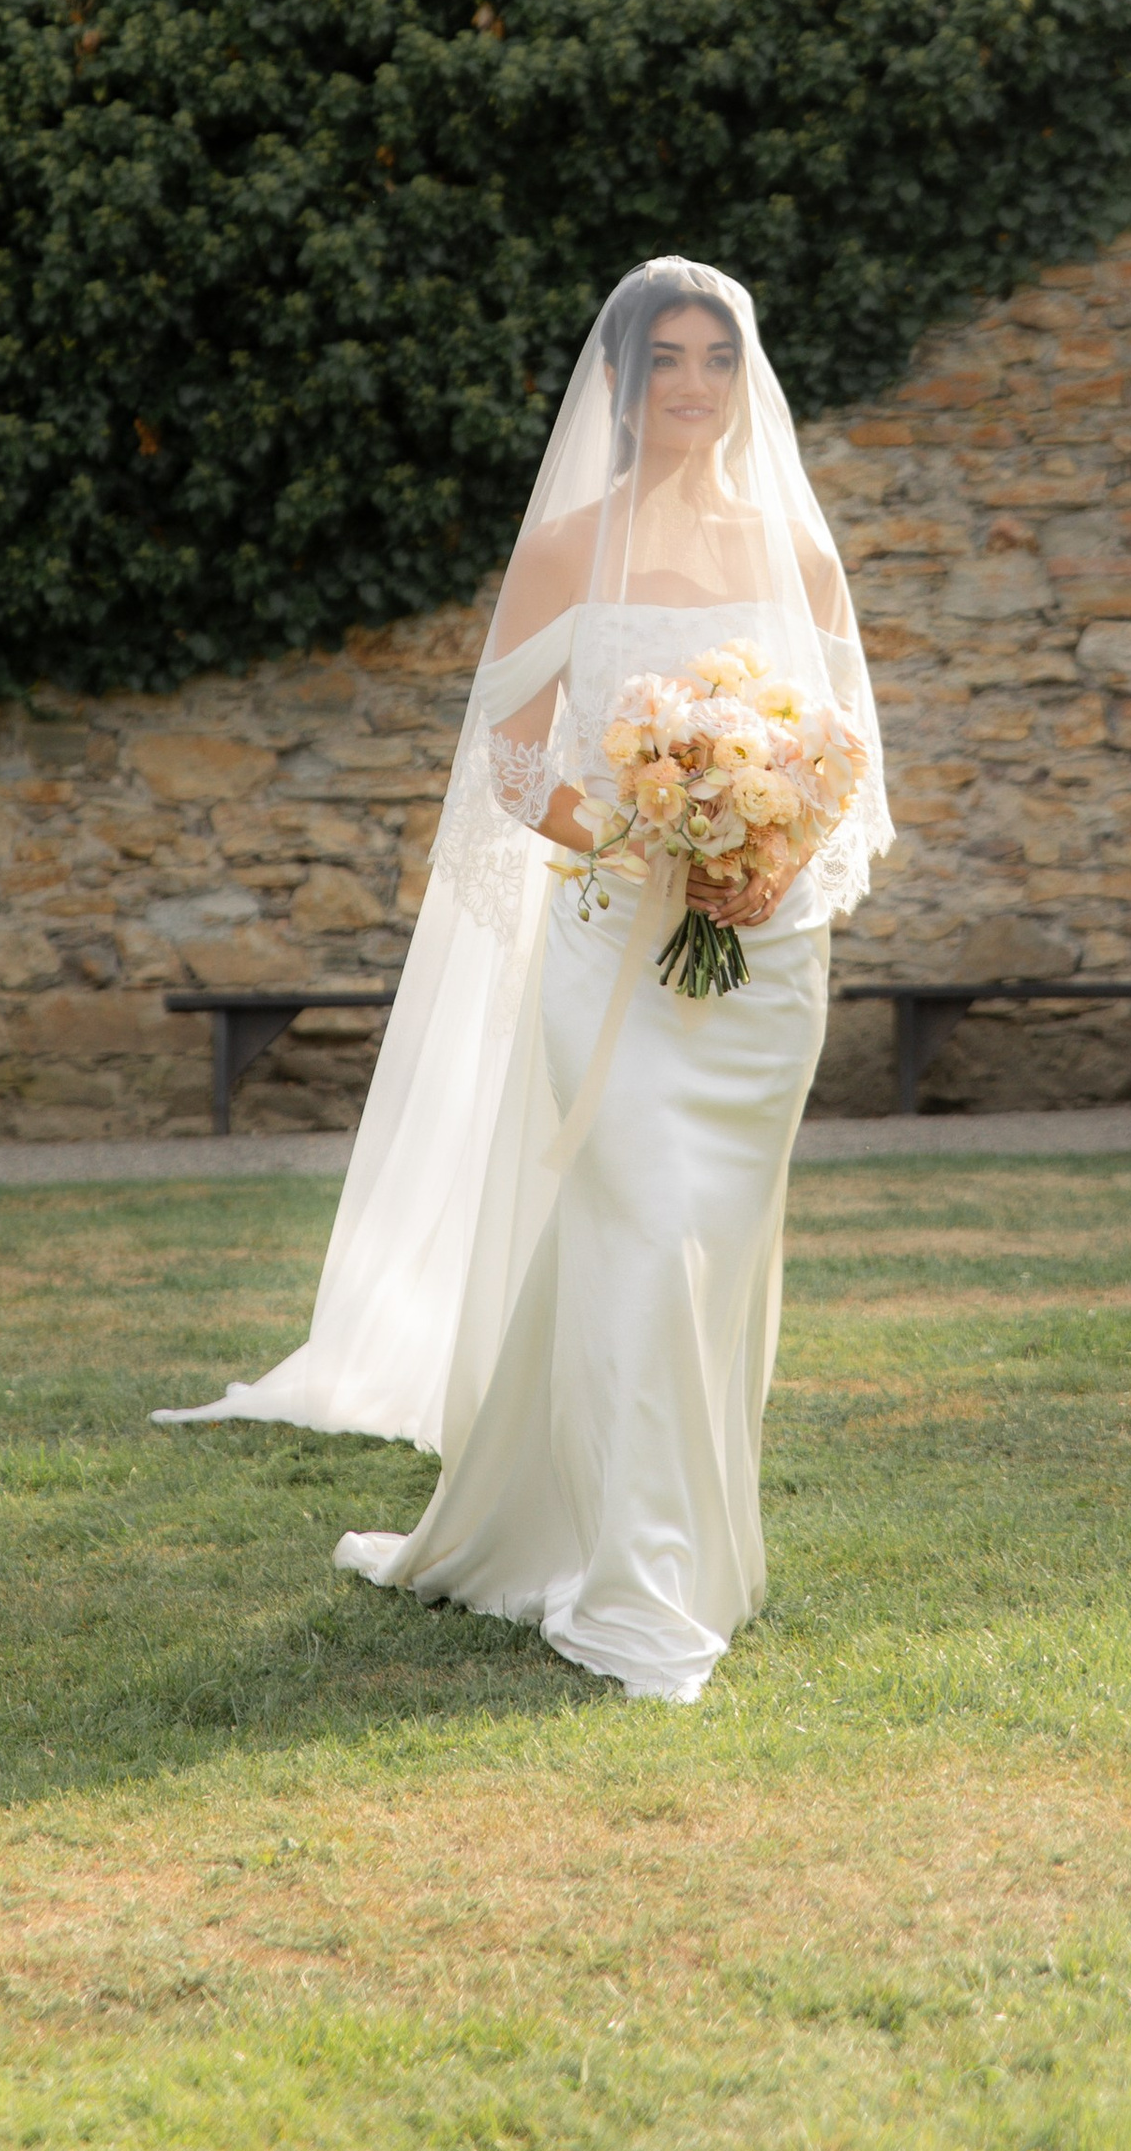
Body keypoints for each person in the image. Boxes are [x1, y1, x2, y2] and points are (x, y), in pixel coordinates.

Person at [154, 258, 891, 1705]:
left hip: (764, 965)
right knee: (638, 1230)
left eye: (716, 361)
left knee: (711, 1255)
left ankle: (680, 1551)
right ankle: (633, 1589)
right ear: (619, 386)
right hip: (613, 944)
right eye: (664, 362)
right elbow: (504, 760)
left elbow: (845, 752)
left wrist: (767, 854)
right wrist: (645, 831)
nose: (692, 387)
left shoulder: (795, 552)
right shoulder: (568, 550)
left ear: (745, 381)